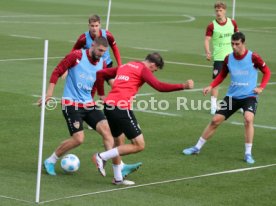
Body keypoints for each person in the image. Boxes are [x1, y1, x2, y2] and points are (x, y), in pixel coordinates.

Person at [39, 37, 138, 177]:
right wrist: (49, 93)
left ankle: (118, 166)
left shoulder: (102, 63)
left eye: (104, 52)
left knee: (108, 132)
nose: (101, 54)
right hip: (71, 104)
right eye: (99, 50)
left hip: (89, 104)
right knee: (78, 139)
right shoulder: (77, 55)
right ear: (93, 45)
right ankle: (50, 160)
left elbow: (97, 83)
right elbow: (57, 71)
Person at [92, 52, 194, 185]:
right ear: (152, 64)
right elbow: (159, 86)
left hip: (109, 107)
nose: (153, 72)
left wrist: (101, 94)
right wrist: (183, 86)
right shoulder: (143, 69)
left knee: (118, 143)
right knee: (139, 145)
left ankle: (117, 178)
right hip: (121, 107)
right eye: (155, 70)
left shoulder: (126, 65)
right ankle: (101, 156)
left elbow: (100, 73)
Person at [183, 32, 271, 164]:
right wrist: (211, 86)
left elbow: (267, 72)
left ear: (243, 43)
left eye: (237, 44)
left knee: (248, 119)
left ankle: (248, 153)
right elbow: (222, 75)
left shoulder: (253, 57)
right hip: (232, 97)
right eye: (232, 44)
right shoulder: (228, 58)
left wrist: (261, 87)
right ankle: (197, 147)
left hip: (249, 96)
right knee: (215, 120)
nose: (234, 47)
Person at [63, 14, 122, 86]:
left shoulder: (107, 35)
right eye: (92, 26)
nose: (94, 28)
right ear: (89, 26)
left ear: (100, 25)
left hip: (106, 64)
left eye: (96, 26)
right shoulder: (83, 38)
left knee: (115, 85)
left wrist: (120, 65)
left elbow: (115, 49)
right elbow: (73, 51)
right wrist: (66, 67)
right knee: (88, 87)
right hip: (90, 66)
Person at [205, 1, 239, 115]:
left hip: (232, 57)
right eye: (217, 11)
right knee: (216, 82)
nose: (218, 13)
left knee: (238, 81)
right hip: (219, 58)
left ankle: (241, 104)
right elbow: (207, 40)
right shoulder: (212, 25)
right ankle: (214, 106)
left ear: (224, 11)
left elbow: (238, 37)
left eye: (220, 10)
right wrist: (208, 51)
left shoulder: (232, 23)